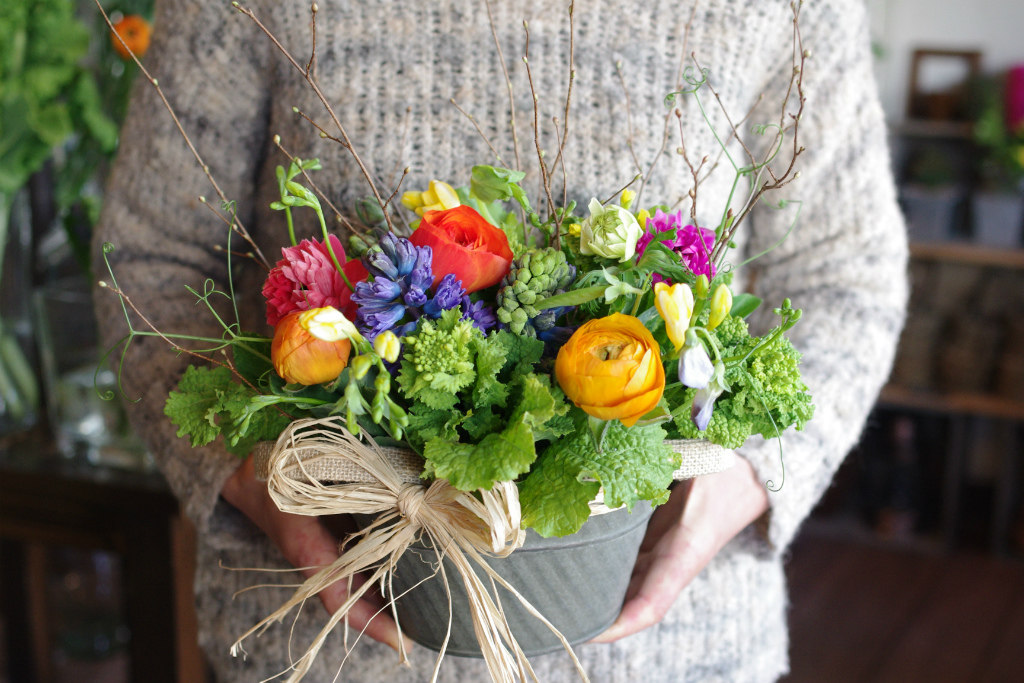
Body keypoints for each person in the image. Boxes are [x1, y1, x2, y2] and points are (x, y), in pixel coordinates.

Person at [94, 0, 907, 680]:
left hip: (675, 650)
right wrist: (257, 474)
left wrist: (745, 478)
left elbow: (846, 276)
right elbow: (152, 254)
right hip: (322, 646)